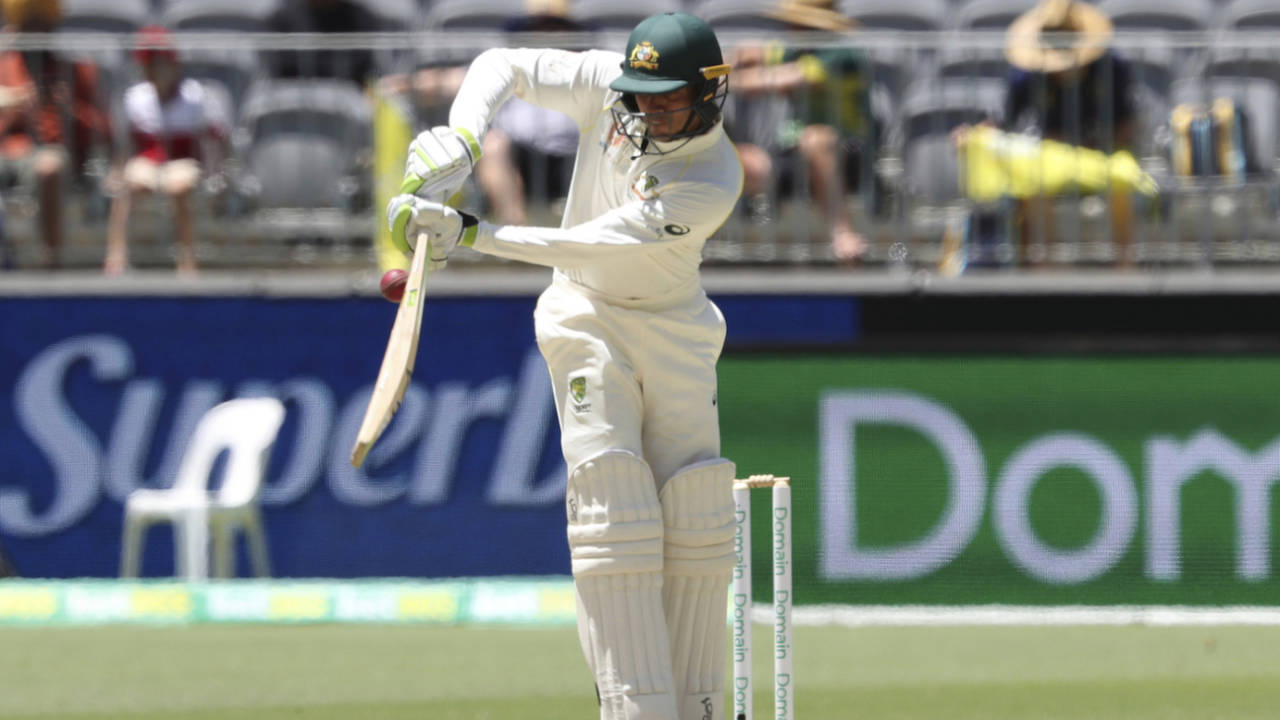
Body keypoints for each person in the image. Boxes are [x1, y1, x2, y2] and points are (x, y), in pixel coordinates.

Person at [387, 12, 742, 719]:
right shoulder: (609, 88)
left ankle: (697, 707)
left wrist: (469, 233)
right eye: (643, 93)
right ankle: (634, 709)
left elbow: (591, 245)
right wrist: (464, 135)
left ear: (710, 92)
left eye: (670, 96)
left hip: (673, 328)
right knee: (614, 507)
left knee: (696, 515)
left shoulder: (712, 175)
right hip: (583, 316)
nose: (649, 109)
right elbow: (500, 62)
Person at [729, 0, 874, 263]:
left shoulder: (842, 54)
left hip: (849, 150)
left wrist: (720, 82)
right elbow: (751, 53)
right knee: (740, 161)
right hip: (796, 153)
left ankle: (843, 233)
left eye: (794, 21)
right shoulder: (797, 47)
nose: (788, 26)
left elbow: (786, 77)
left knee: (815, 139)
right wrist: (718, 64)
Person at [1002, 0, 1138, 267]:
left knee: (1124, 178)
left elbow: (1128, 125)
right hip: (1050, 156)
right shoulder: (1026, 76)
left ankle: (1126, 267)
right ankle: (1043, 270)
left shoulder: (1113, 69)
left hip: (1103, 153)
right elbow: (1008, 126)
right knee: (1030, 184)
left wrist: (1095, 142)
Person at [105, 26, 229, 275]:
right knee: (127, 186)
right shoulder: (136, 97)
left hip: (184, 161)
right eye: (150, 63)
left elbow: (215, 138)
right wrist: (117, 171)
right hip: (148, 160)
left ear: (173, 63)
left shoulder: (195, 95)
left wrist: (216, 173)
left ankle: (187, 258)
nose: (155, 69)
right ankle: (116, 257)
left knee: (178, 186)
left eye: (161, 62)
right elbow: (127, 143)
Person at [0, 0, 112, 269]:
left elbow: (103, 131)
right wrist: (11, 106)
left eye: (42, 24)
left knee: (49, 165)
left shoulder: (76, 71)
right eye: (28, 25)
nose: (35, 32)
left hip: (54, 154)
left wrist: (69, 110)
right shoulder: (4, 67)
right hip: (7, 151)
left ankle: (52, 259)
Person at [264, 0, 383, 86]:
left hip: (348, 111)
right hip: (292, 106)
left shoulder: (363, 20)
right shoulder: (280, 21)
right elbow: (277, 76)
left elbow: (367, 75)